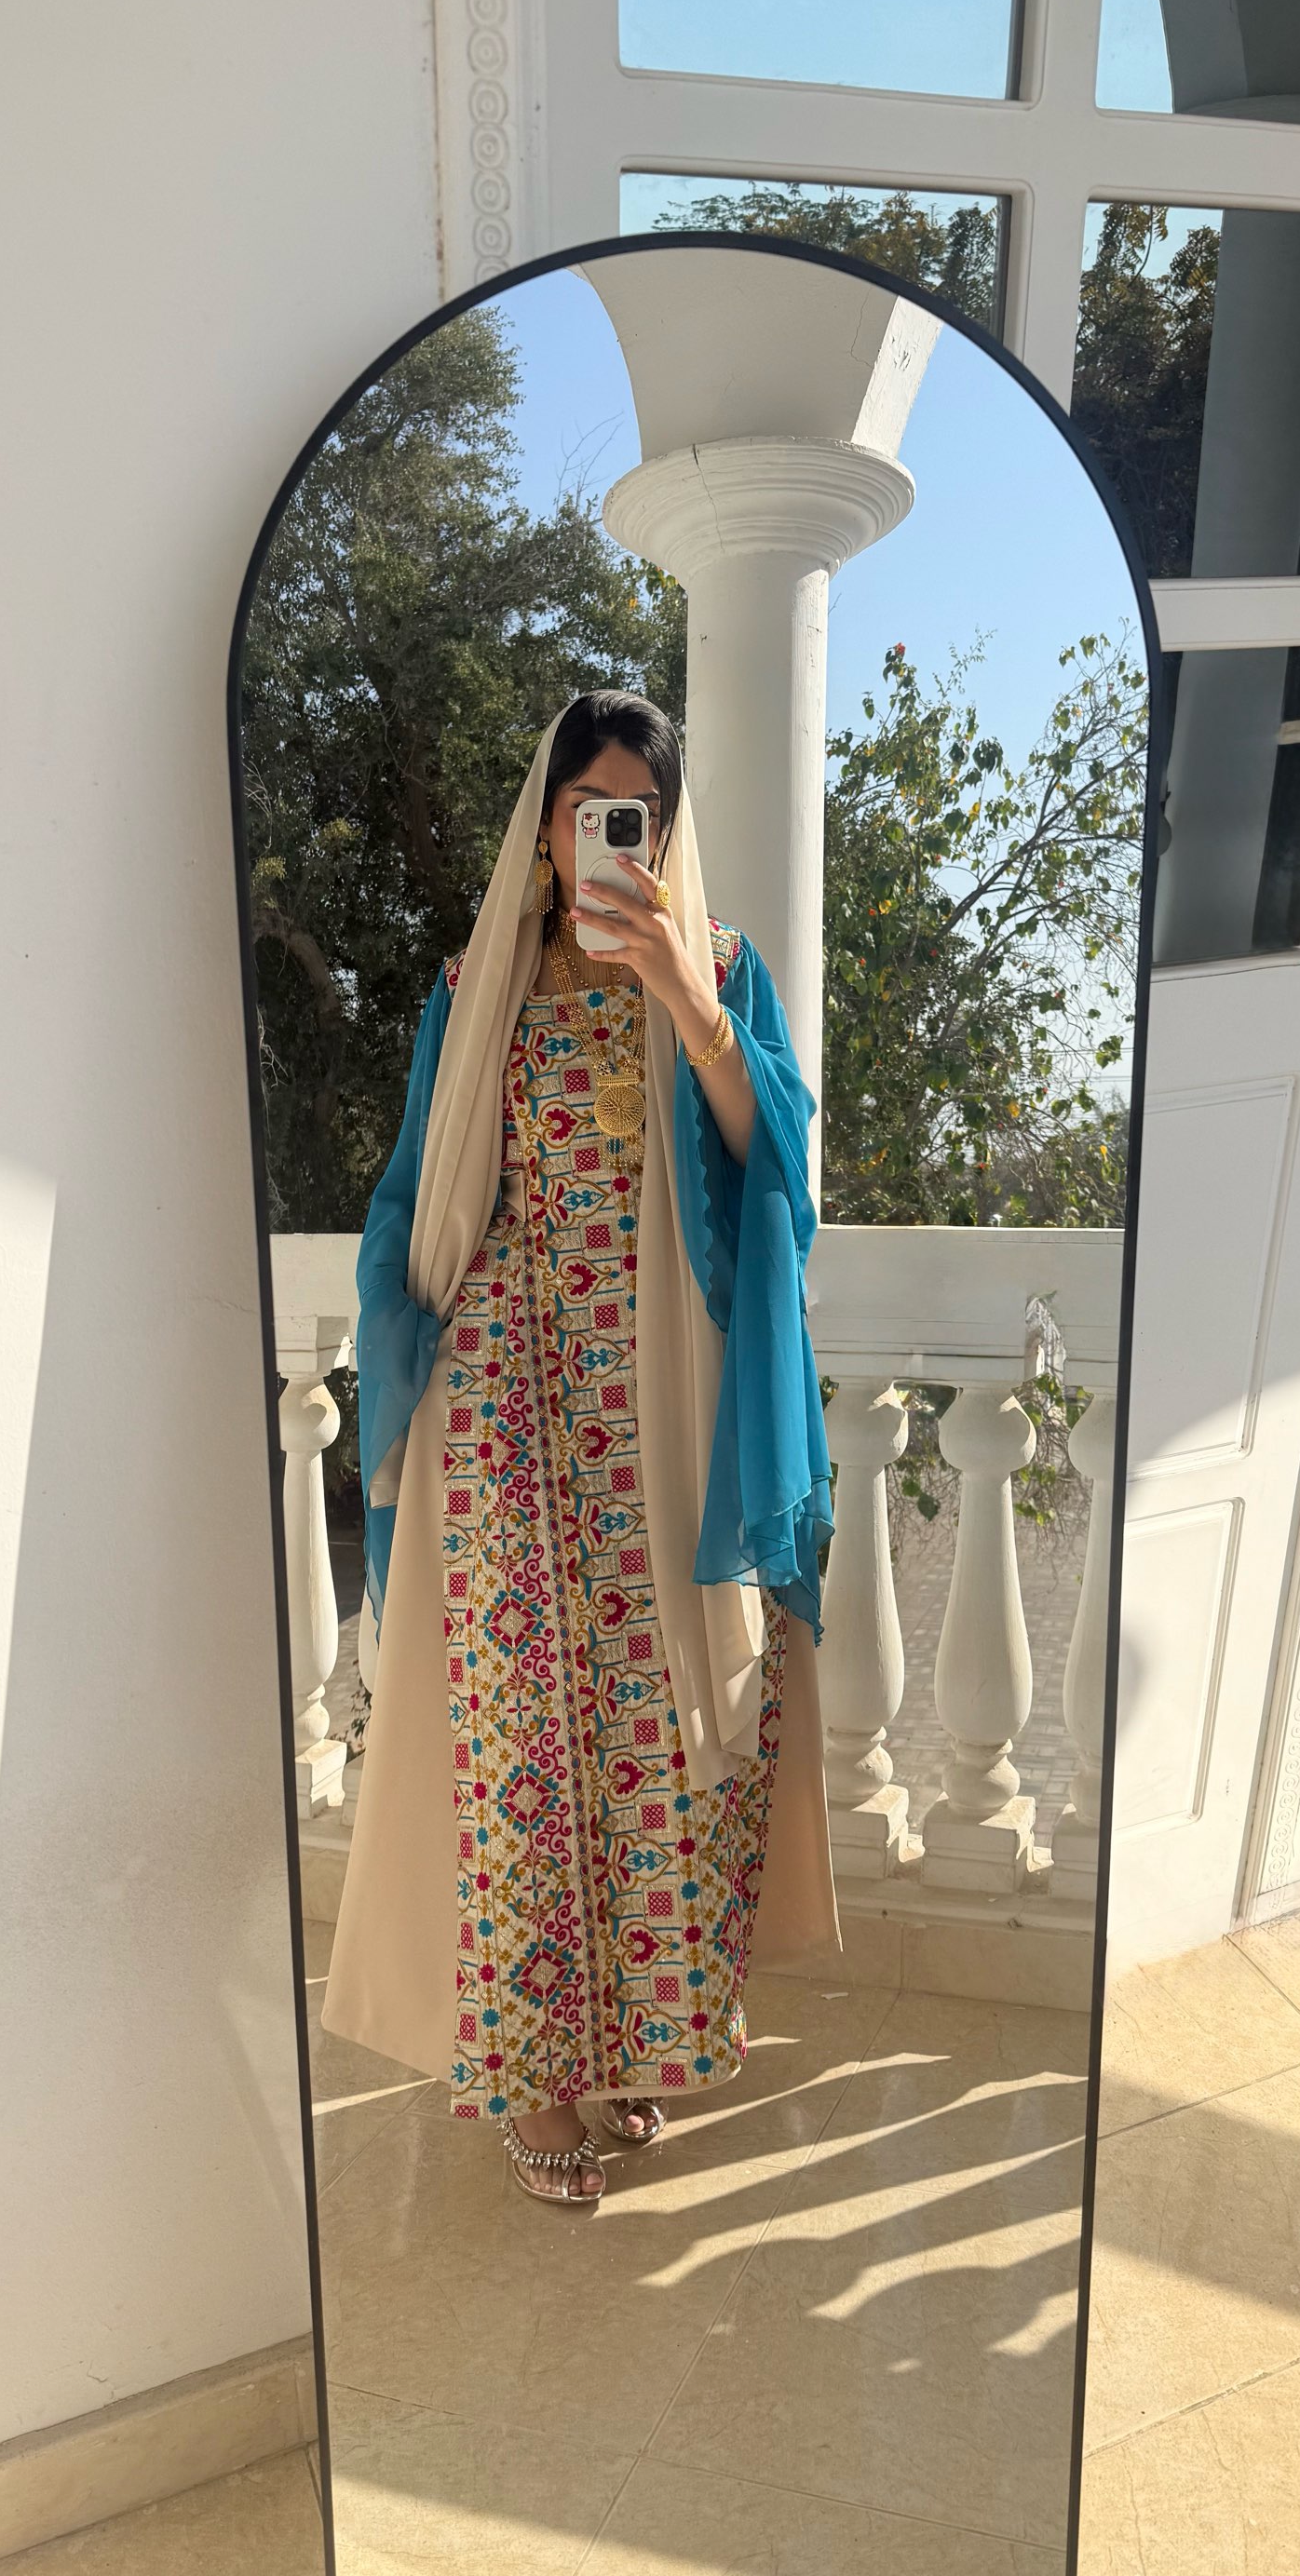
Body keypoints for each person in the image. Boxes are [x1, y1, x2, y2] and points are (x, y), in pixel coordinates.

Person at [320, 690, 839, 2204]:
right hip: (499, 1394)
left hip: (657, 1395)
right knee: (522, 1740)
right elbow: (417, 1187)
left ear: (665, 831)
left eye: (641, 816)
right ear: (543, 824)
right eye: (586, 808)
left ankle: (626, 2040)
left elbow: (774, 1164)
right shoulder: (472, 978)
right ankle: (531, 2078)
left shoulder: (718, 964)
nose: (613, 836)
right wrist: (406, 1368)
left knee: (656, 1731)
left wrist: (681, 993)